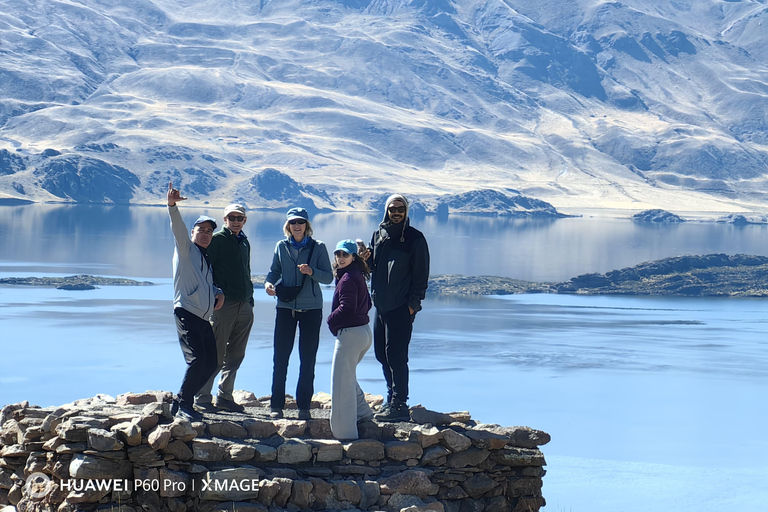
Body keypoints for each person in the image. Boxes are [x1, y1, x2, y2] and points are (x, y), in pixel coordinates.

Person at [361, 194, 430, 422]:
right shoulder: (379, 235)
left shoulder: (414, 238)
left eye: (400, 208)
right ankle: (391, 398)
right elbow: (374, 269)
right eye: (392, 209)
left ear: (406, 211)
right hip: (381, 306)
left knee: (397, 355)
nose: (396, 212)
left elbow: (421, 275)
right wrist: (365, 259)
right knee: (381, 353)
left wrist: (413, 305)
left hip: (401, 307)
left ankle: (400, 404)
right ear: (387, 211)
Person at [264, 207, 333, 420]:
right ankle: (277, 405)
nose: (296, 226)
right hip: (285, 307)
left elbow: (328, 277)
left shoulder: (318, 247)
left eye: (300, 222)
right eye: (293, 222)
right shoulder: (281, 246)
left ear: (307, 225)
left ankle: (304, 406)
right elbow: (274, 271)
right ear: (288, 225)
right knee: (280, 357)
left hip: (311, 309)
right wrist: (268, 283)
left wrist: (311, 272)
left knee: (307, 358)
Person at [166, 182, 225, 421]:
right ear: (192, 233)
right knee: (197, 359)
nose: (205, 234)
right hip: (186, 312)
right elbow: (177, 228)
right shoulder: (186, 249)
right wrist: (172, 206)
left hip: (203, 317)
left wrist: (217, 291)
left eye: (209, 231)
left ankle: (182, 399)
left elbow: (206, 283)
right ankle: (185, 404)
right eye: (200, 230)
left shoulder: (204, 257)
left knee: (212, 362)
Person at [195, 204, 254, 413]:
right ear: (224, 219)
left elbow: (245, 271)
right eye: (232, 217)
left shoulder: (243, 241)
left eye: (240, 218)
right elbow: (204, 268)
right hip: (223, 306)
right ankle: (202, 397)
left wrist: (250, 300)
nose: (236, 221)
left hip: (244, 305)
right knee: (215, 354)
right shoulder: (217, 239)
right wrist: (214, 293)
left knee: (236, 355)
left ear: (245, 220)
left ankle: (225, 397)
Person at [327, 239, 374, 439]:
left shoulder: (347, 278)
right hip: (364, 333)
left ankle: (344, 434)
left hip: (351, 335)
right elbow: (369, 303)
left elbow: (347, 307)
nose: (340, 258)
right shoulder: (357, 275)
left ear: (354, 256)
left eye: (345, 254)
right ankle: (363, 414)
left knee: (340, 384)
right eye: (338, 254)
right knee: (348, 377)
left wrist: (331, 321)